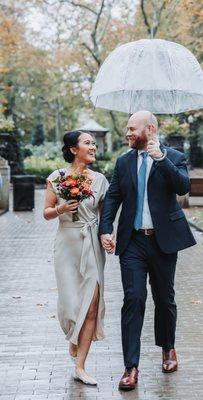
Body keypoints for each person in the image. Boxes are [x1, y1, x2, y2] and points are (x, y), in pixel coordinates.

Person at [99, 110, 196, 391]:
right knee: (134, 299)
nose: (128, 133)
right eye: (127, 129)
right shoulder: (124, 161)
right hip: (133, 242)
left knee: (164, 299)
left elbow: (183, 187)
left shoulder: (173, 156)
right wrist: (106, 229)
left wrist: (161, 159)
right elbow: (114, 196)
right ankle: (131, 367)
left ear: (149, 129)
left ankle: (168, 348)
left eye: (132, 128)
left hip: (163, 241)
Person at [43, 130, 109, 385]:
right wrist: (60, 208)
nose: (93, 146)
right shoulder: (57, 178)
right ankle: (73, 336)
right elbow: (46, 212)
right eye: (87, 143)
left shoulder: (101, 180)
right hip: (67, 245)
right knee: (70, 306)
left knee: (92, 304)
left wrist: (107, 235)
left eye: (94, 143)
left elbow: (105, 216)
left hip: (91, 243)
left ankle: (80, 366)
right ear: (73, 149)